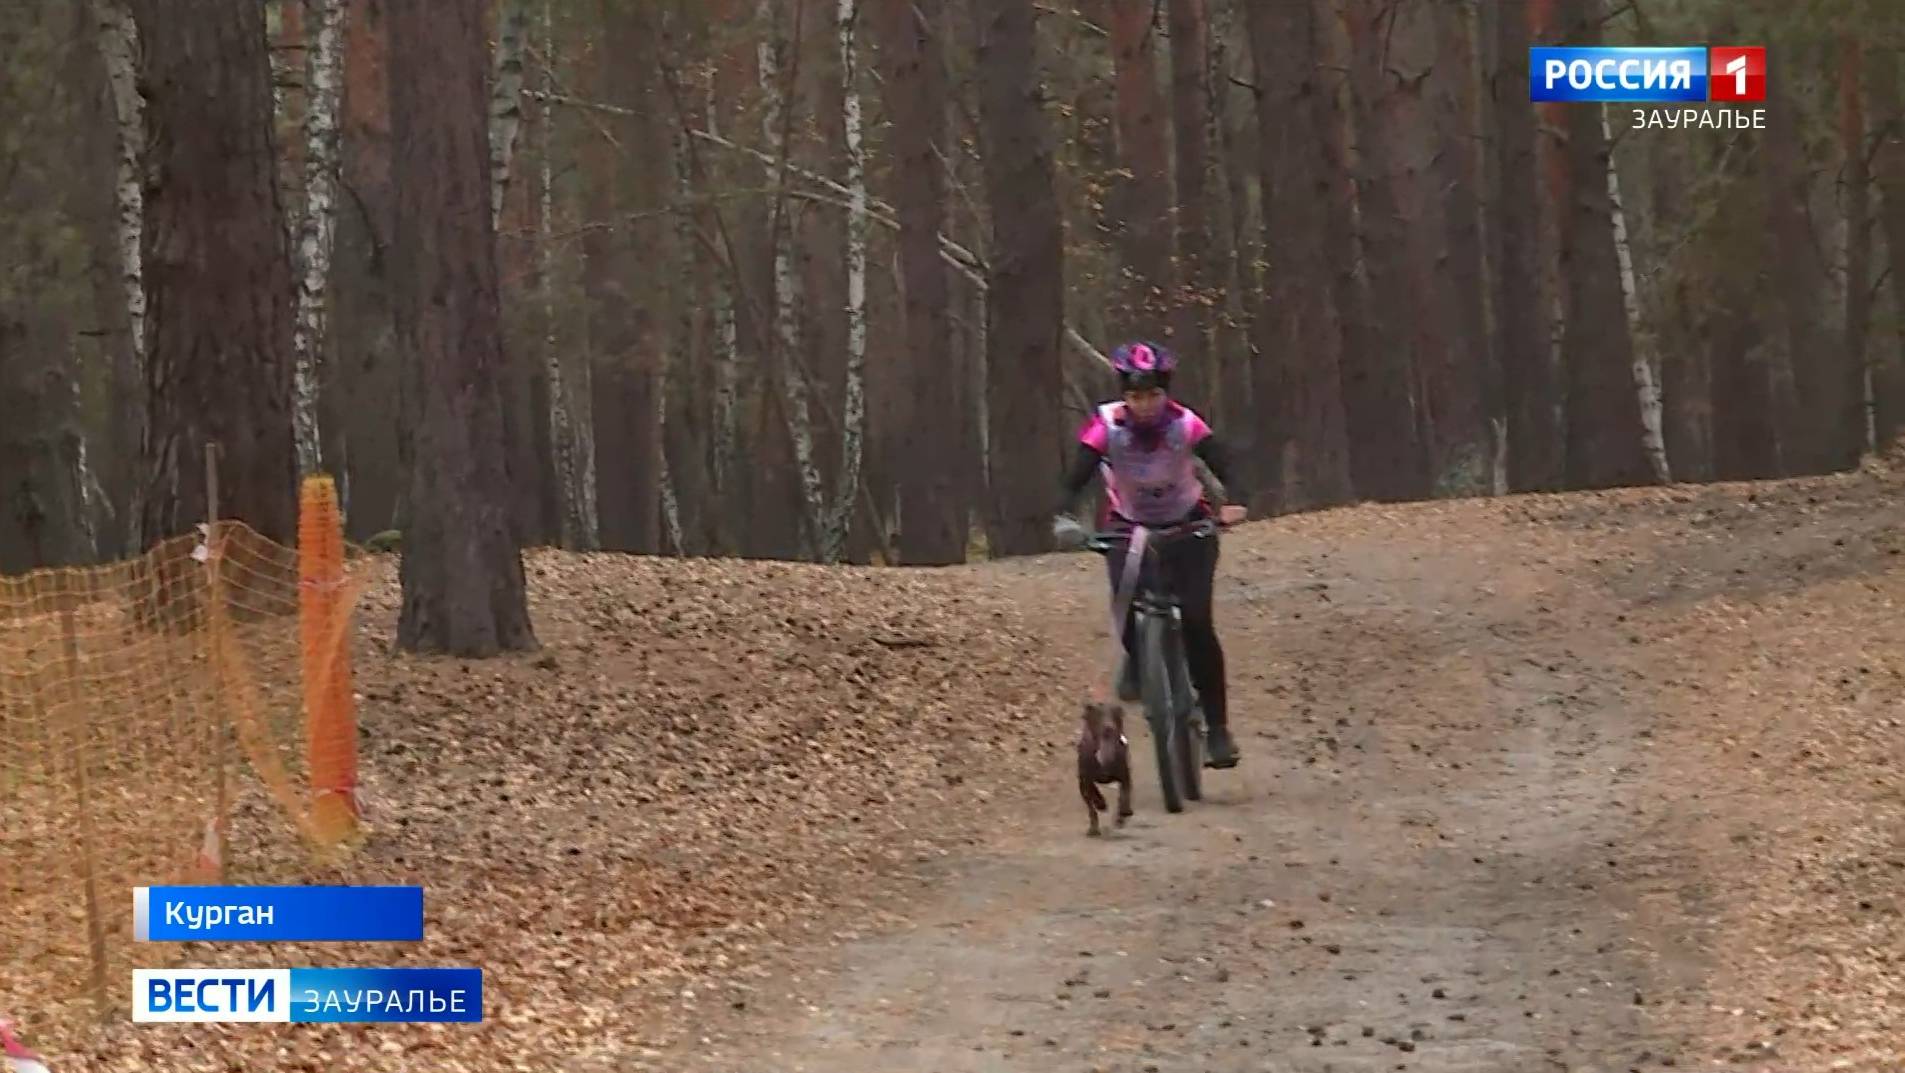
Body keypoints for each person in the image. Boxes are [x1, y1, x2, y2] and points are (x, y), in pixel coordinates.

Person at [1051, 340, 1245, 769]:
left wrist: (1234, 501)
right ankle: (1139, 663)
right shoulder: (1106, 426)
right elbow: (1076, 475)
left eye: (1153, 394)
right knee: (1124, 602)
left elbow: (1224, 461)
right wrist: (1065, 515)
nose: (1145, 405)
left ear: (1166, 393)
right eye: (1136, 396)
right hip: (1128, 527)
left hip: (1188, 524)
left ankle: (1218, 730)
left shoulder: (1185, 423)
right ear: (1124, 395)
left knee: (1197, 620)